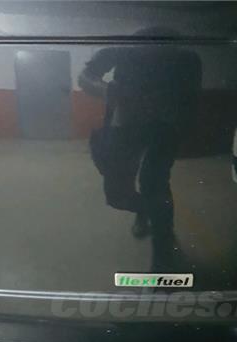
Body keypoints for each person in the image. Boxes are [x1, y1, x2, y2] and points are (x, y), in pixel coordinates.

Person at [79, 31, 202, 268]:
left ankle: (163, 252)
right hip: (126, 123)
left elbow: (192, 97)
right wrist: (105, 90)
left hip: (165, 126)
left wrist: (183, 124)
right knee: (116, 195)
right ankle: (150, 213)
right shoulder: (123, 48)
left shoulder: (186, 57)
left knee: (153, 182)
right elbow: (85, 77)